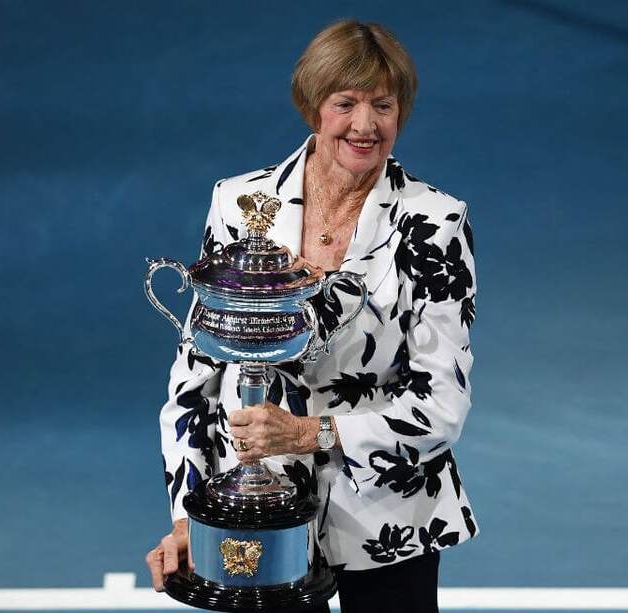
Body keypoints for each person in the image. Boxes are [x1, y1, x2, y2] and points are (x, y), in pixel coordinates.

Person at [146, 19, 479, 613]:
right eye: (345, 103)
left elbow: (441, 405)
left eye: (383, 104)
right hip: (253, 510)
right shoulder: (238, 204)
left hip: (386, 516)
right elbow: (196, 379)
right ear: (312, 107)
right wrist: (188, 515)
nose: (366, 125)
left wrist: (309, 433)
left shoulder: (436, 224)